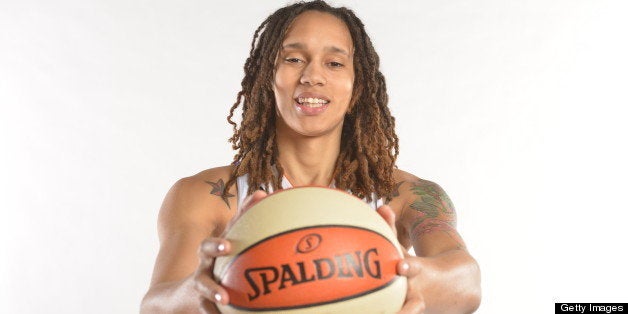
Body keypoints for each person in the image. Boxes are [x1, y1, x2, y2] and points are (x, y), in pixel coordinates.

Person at [141, 1, 481, 313]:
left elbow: (467, 282)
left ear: (356, 84)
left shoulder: (405, 193)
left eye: (334, 63)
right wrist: (200, 291)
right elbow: (155, 305)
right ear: (266, 77)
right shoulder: (208, 195)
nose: (312, 76)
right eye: (293, 59)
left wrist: (399, 277)